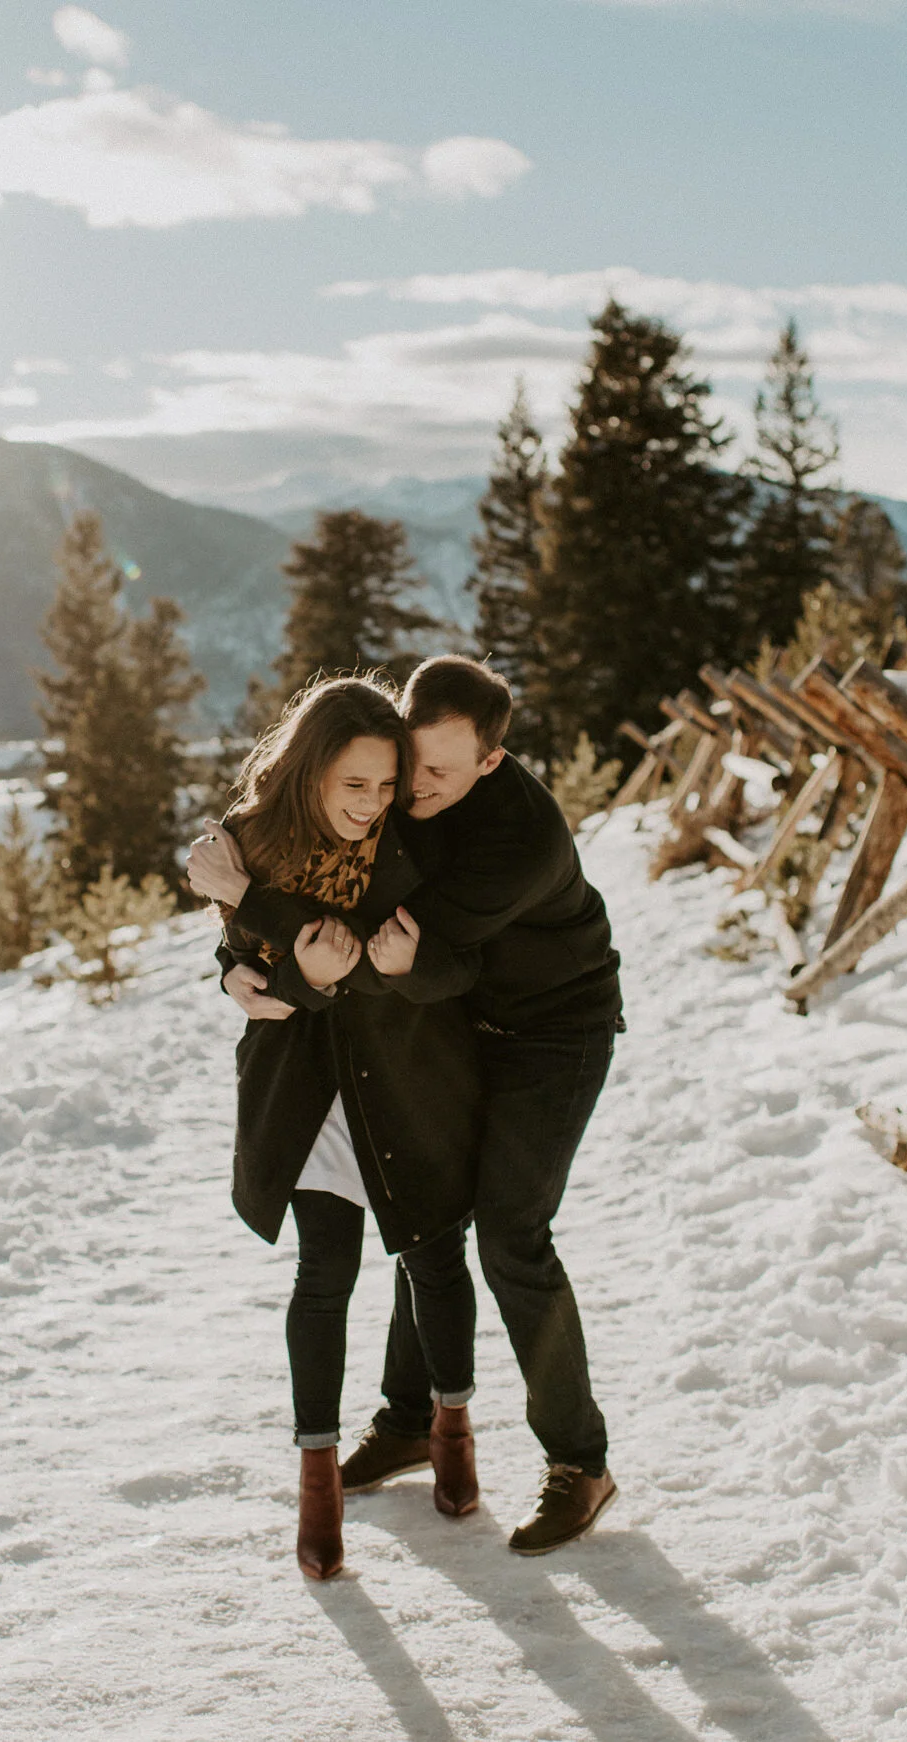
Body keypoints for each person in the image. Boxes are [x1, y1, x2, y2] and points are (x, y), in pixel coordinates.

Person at [195, 656, 623, 1556]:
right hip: (460, 1028)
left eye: (436, 774)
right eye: (405, 764)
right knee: (417, 1202)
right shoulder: (389, 795)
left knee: (509, 1233)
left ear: (490, 764)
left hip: (550, 1028)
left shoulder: (519, 842)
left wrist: (252, 905)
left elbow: (383, 950)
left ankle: (581, 1462)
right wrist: (233, 960)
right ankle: (406, 1421)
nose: (412, 790)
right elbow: (312, 880)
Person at [207, 677, 483, 1580]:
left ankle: (452, 1433)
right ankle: (316, 1482)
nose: (369, 806)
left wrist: (257, 913)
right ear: (309, 772)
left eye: (382, 786)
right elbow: (266, 964)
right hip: (305, 1087)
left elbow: (359, 961)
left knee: (434, 1256)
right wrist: (235, 971)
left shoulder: (412, 842)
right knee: (325, 1270)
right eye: (351, 786)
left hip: (402, 1077)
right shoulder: (251, 841)